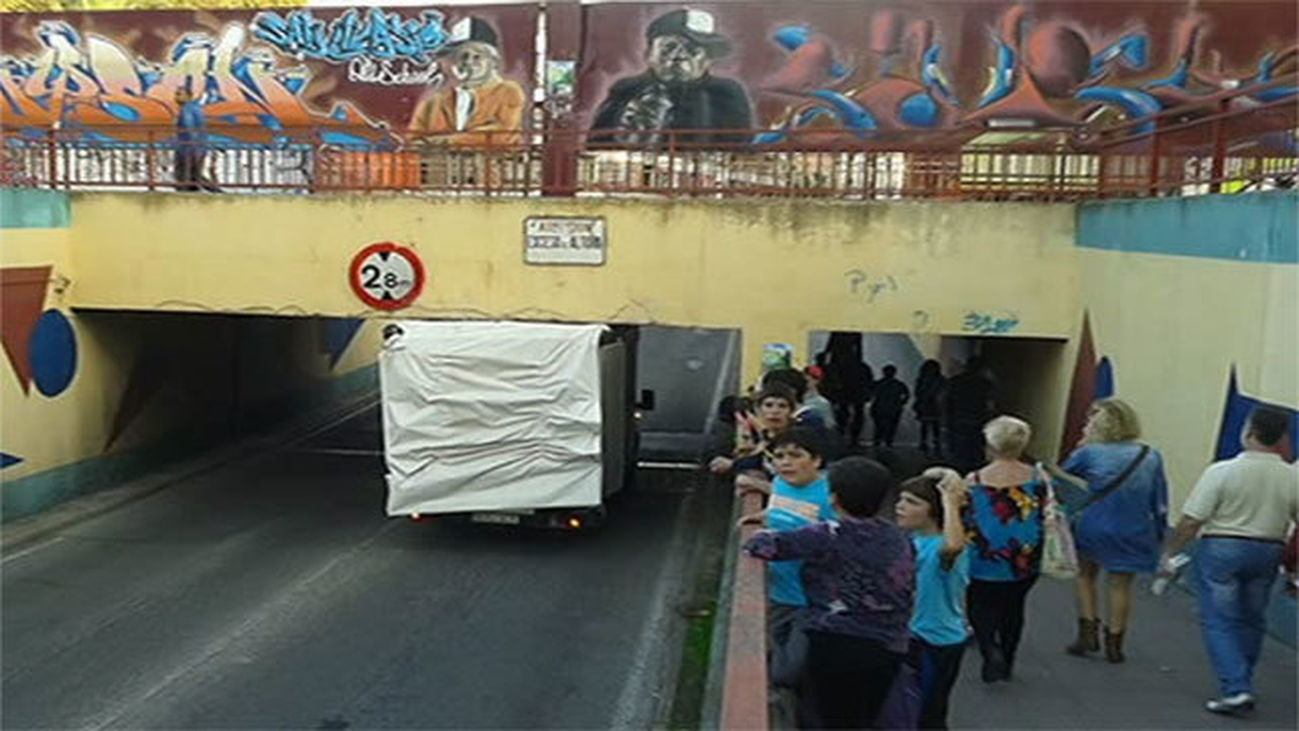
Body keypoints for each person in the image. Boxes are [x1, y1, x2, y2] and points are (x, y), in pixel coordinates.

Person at [743, 457, 914, 728]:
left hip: (835, 641)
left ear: (833, 498)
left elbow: (765, 545)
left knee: (827, 715)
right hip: (888, 644)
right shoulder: (898, 537)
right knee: (866, 715)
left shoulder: (828, 535)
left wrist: (768, 523)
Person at [1159, 406, 1298, 715]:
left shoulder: (1222, 471)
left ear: (1250, 432)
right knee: (1253, 618)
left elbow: (1192, 519)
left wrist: (1171, 551)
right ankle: (1242, 678)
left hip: (1222, 547)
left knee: (1219, 619)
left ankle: (1236, 688)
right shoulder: (1291, 476)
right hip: (1268, 549)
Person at [1046, 397, 1169, 664]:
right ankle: (1115, 644)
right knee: (1120, 586)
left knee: (1085, 576)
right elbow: (1159, 503)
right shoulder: (1150, 456)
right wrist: (1160, 535)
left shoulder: (1090, 453)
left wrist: (1081, 446)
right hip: (1134, 529)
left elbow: (1063, 475)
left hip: (1094, 525)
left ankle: (1087, 634)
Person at [735, 428, 835, 728]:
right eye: (779, 456)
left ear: (816, 461)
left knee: (789, 672)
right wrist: (761, 518)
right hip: (779, 594)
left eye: (795, 455)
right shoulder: (779, 484)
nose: (785, 462)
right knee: (779, 667)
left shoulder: (830, 496)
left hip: (813, 602)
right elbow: (783, 514)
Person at [591, 8, 752, 145]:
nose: (678, 56)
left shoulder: (726, 93)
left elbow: (740, 146)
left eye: (692, 49)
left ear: (707, 59)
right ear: (649, 54)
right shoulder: (627, 89)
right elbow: (597, 142)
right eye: (669, 47)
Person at [963, 415, 1045, 683]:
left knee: (979, 604)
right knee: (1014, 607)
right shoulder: (1037, 477)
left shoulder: (975, 479)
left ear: (991, 444)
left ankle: (989, 648)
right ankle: (1007, 660)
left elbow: (964, 514)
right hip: (1024, 553)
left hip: (984, 552)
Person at [895, 469, 970, 730]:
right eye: (901, 499)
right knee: (905, 708)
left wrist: (950, 501)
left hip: (936, 642)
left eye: (912, 502)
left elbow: (954, 545)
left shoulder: (944, 549)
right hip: (910, 636)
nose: (900, 506)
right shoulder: (913, 540)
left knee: (928, 713)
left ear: (935, 511)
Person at [408, 17, 525, 145]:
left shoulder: (508, 91)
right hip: (437, 159)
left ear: (494, 61)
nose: (468, 62)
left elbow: (501, 134)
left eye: (477, 56)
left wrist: (443, 142)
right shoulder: (434, 103)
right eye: (463, 56)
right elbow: (412, 142)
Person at [823, 332, 874, 448]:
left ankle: (843, 434)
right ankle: (851, 437)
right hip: (853, 385)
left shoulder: (836, 366)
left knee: (844, 409)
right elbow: (859, 349)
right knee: (855, 411)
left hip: (844, 378)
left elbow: (829, 347)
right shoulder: (860, 366)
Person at [945, 357, 994, 474]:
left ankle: (959, 470)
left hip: (958, 418)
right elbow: (990, 403)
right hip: (978, 419)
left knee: (958, 447)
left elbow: (946, 400)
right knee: (975, 446)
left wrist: (946, 418)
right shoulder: (985, 383)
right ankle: (974, 470)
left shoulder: (956, 381)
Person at [173, 85, 217, 192]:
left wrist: (190, 146)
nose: (176, 97)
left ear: (188, 96)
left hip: (188, 148)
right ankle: (215, 191)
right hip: (198, 147)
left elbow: (189, 128)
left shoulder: (186, 109)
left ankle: (216, 192)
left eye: (179, 94)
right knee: (195, 175)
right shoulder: (196, 107)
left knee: (184, 176)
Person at [871, 364, 910, 448]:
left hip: (880, 407)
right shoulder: (898, 384)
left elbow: (872, 393)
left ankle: (878, 440)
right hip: (894, 407)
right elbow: (907, 394)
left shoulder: (879, 383)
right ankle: (888, 441)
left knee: (879, 425)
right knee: (891, 425)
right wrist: (902, 402)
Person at [914, 359, 946, 455]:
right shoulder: (939, 379)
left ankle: (929, 442)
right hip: (931, 404)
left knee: (931, 424)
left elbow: (917, 392)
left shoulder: (923, 379)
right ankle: (929, 442)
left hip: (931, 404)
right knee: (929, 424)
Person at [801, 365, 838, 432]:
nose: (804, 384)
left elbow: (829, 426)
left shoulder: (822, 403)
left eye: (807, 381)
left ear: (817, 381)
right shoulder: (797, 396)